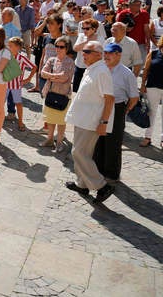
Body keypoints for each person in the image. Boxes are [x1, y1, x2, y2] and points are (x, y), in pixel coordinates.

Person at [64, 41, 116, 204]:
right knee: (82, 153)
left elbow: (109, 99)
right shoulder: (91, 68)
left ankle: (102, 186)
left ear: (98, 54)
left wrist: (104, 122)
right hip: (83, 119)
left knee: (78, 153)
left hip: (92, 121)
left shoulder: (101, 72)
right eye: (83, 51)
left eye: (87, 51)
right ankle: (82, 184)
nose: (83, 54)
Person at [96, 42, 138, 181]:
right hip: (99, 106)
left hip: (117, 107)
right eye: (105, 53)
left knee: (113, 142)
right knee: (98, 140)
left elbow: (134, 97)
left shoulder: (127, 73)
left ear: (118, 55)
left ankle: (112, 175)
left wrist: (124, 111)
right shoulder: (100, 68)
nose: (106, 56)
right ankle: (97, 170)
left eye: (110, 53)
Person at [39, 37, 75, 151]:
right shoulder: (51, 60)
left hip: (63, 95)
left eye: (61, 47)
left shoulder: (70, 62)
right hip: (50, 93)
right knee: (50, 119)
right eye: (57, 46)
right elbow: (42, 73)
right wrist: (55, 76)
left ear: (67, 48)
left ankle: (59, 142)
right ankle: (50, 139)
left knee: (61, 121)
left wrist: (50, 76)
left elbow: (64, 78)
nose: (58, 49)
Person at [5, 37, 37, 132]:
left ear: (18, 47)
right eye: (8, 45)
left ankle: (20, 121)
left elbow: (34, 67)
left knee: (18, 103)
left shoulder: (22, 58)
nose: (8, 47)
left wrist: (28, 79)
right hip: (5, 84)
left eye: (11, 46)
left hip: (16, 86)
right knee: (0, 102)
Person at [140, 37, 163, 149]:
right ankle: (147, 137)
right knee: (151, 113)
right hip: (152, 87)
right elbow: (146, 70)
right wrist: (142, 84)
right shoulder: (153, 53)